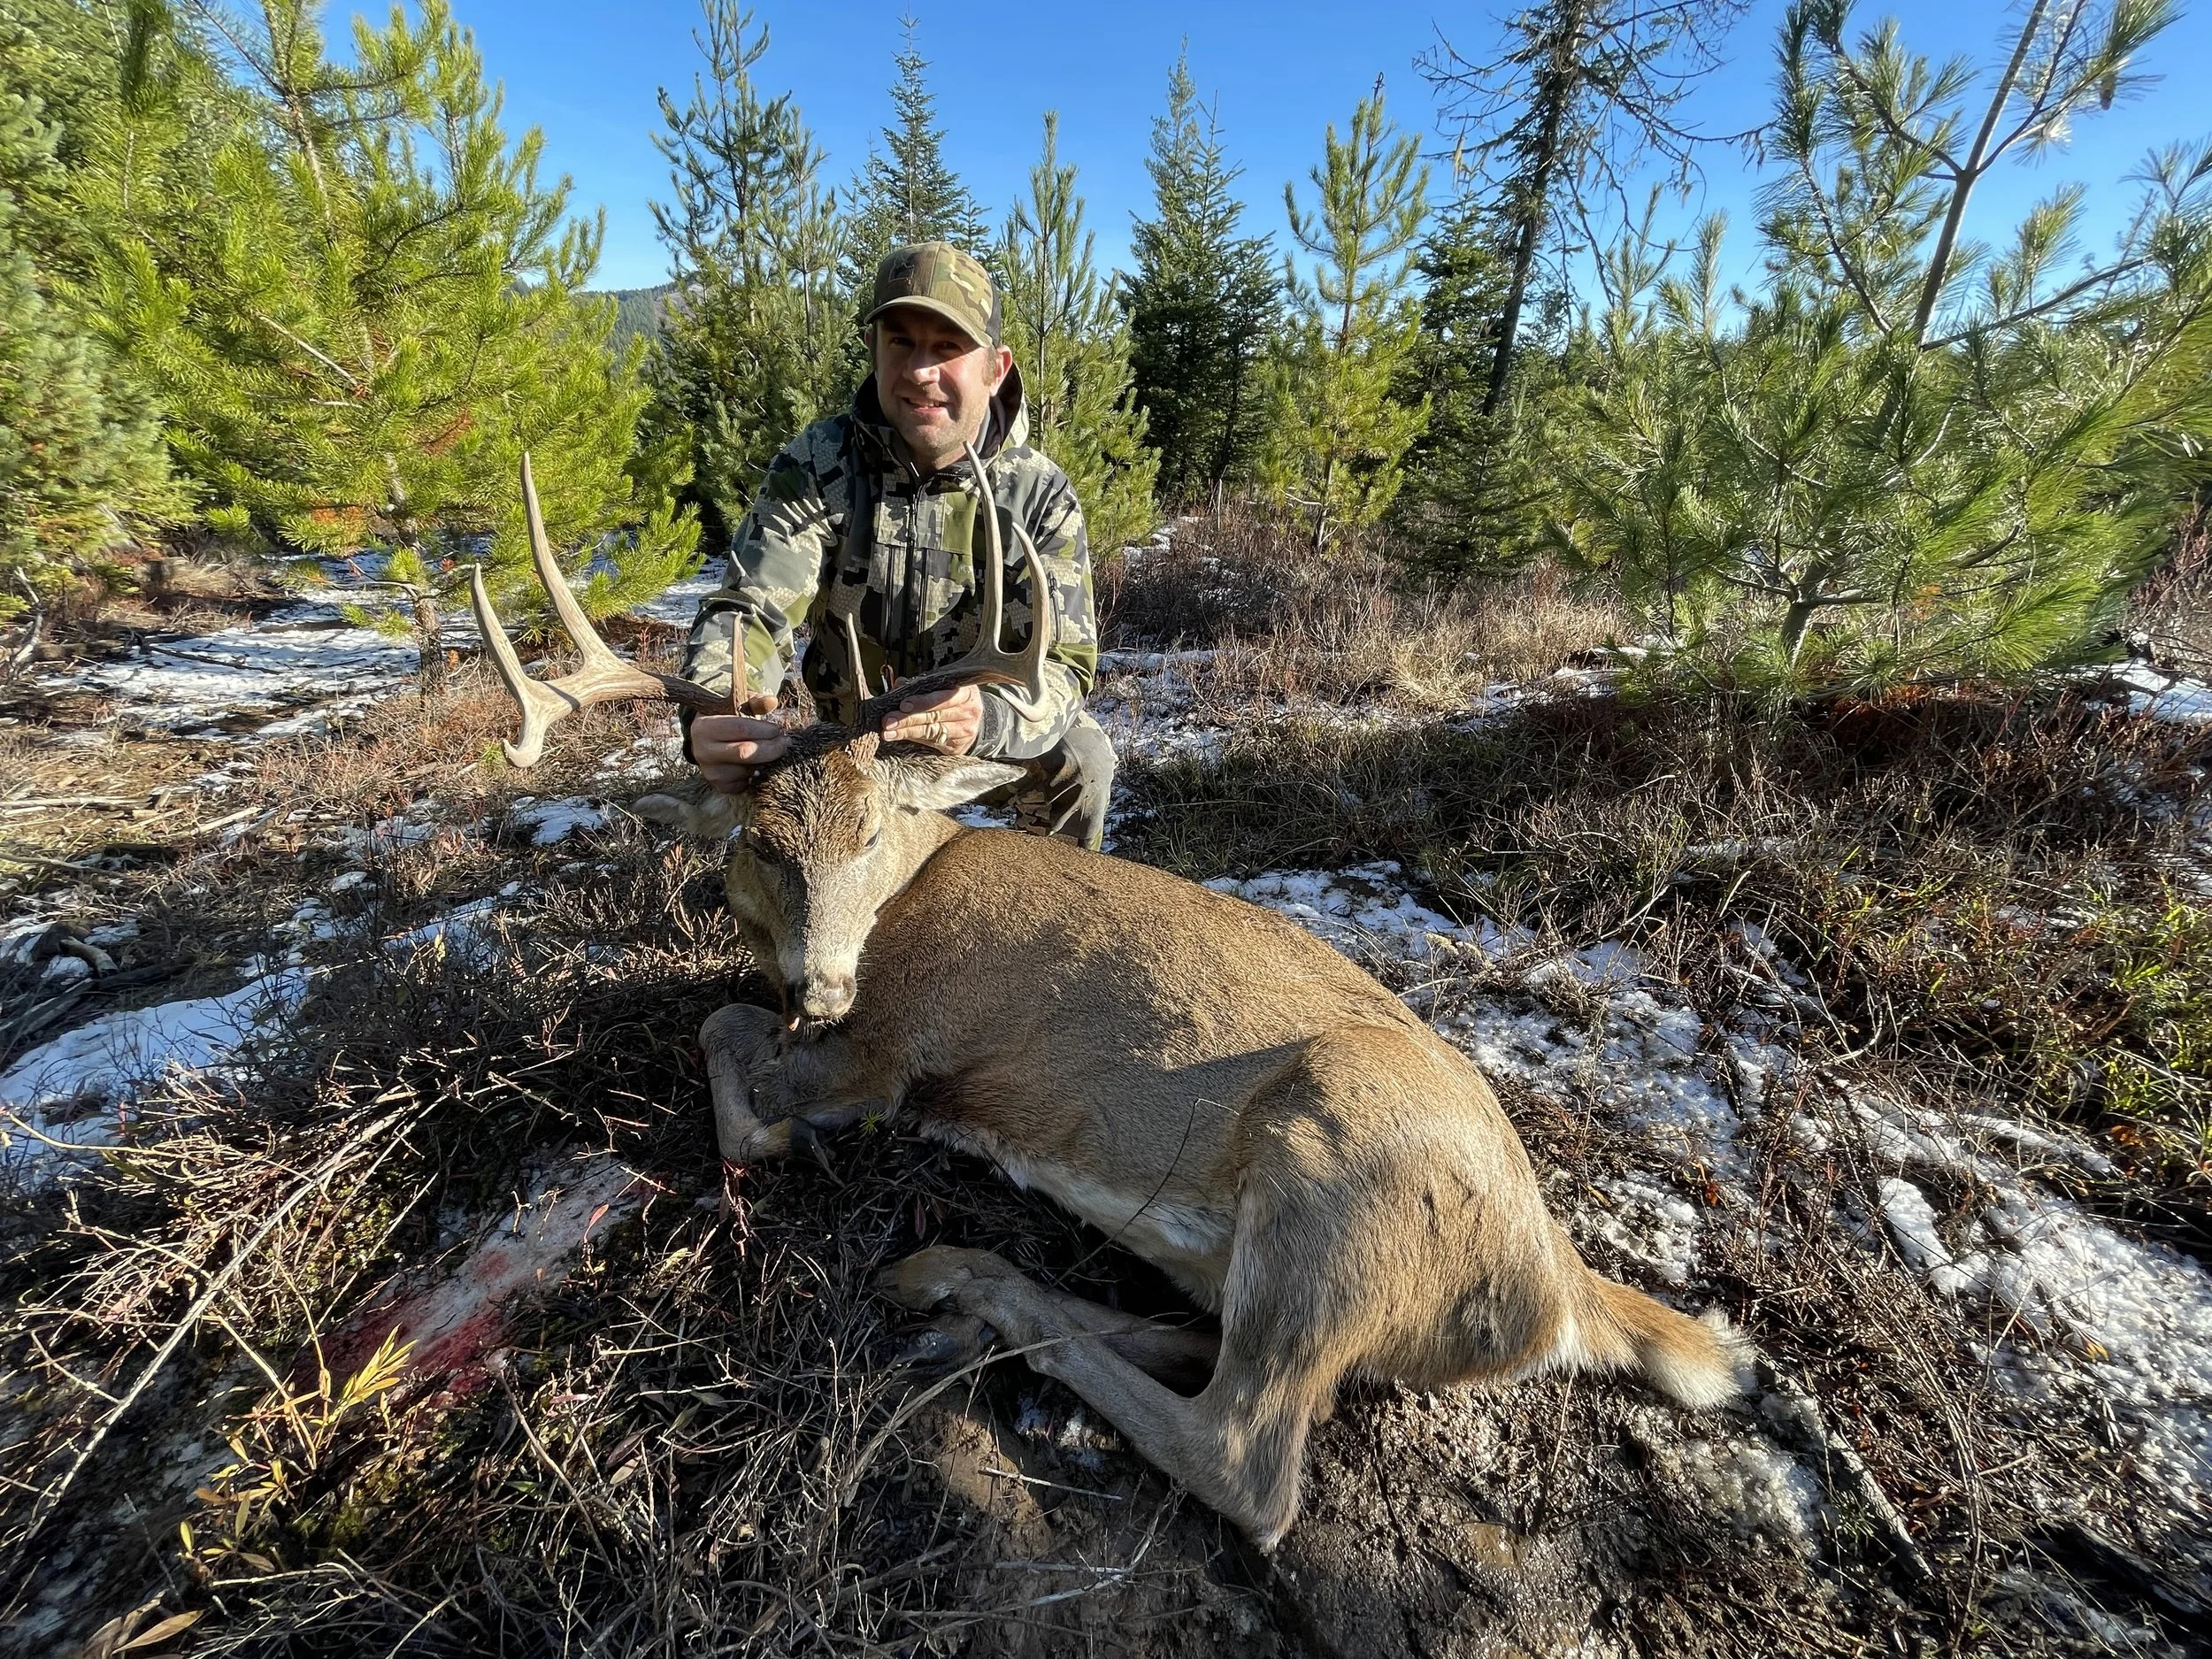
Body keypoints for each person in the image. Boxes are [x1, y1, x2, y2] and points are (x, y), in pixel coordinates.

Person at [679, 241, 1113, 848]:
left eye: (948, 347)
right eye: (901, 342)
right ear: (873, 350)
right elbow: (750, 607)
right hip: (846, 742)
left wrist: (984, 717)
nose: (919, 371)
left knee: (1081, 762)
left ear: (996, 367)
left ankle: (1043, 922)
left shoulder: (1039, 494)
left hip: (969, 740)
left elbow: (1063, 668)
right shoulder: (818, 465)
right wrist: (715, 706)